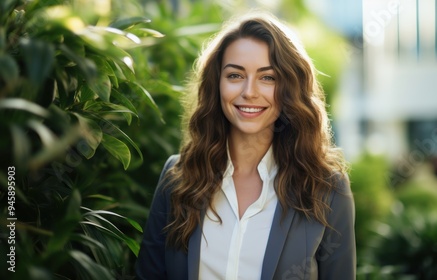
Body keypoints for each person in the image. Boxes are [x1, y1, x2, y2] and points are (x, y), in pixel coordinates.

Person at [135, 11, 355, 280]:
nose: (249, 92)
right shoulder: (179, 176)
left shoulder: (327, 188)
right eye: (235, 75)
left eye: (268, 78)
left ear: (289, 88)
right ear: (216, 85)